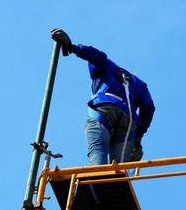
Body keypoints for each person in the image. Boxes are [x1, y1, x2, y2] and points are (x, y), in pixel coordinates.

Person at [51, 29, 155, 166]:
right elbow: (148, 107)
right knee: (120, 170)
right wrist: (137, 140)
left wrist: (72, 47)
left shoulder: (106, 66)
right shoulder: (139, 84)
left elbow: (98, 56)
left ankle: (97, 178)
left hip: (104, 111)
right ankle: (116, 183)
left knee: (97, 152)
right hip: (128, 123)